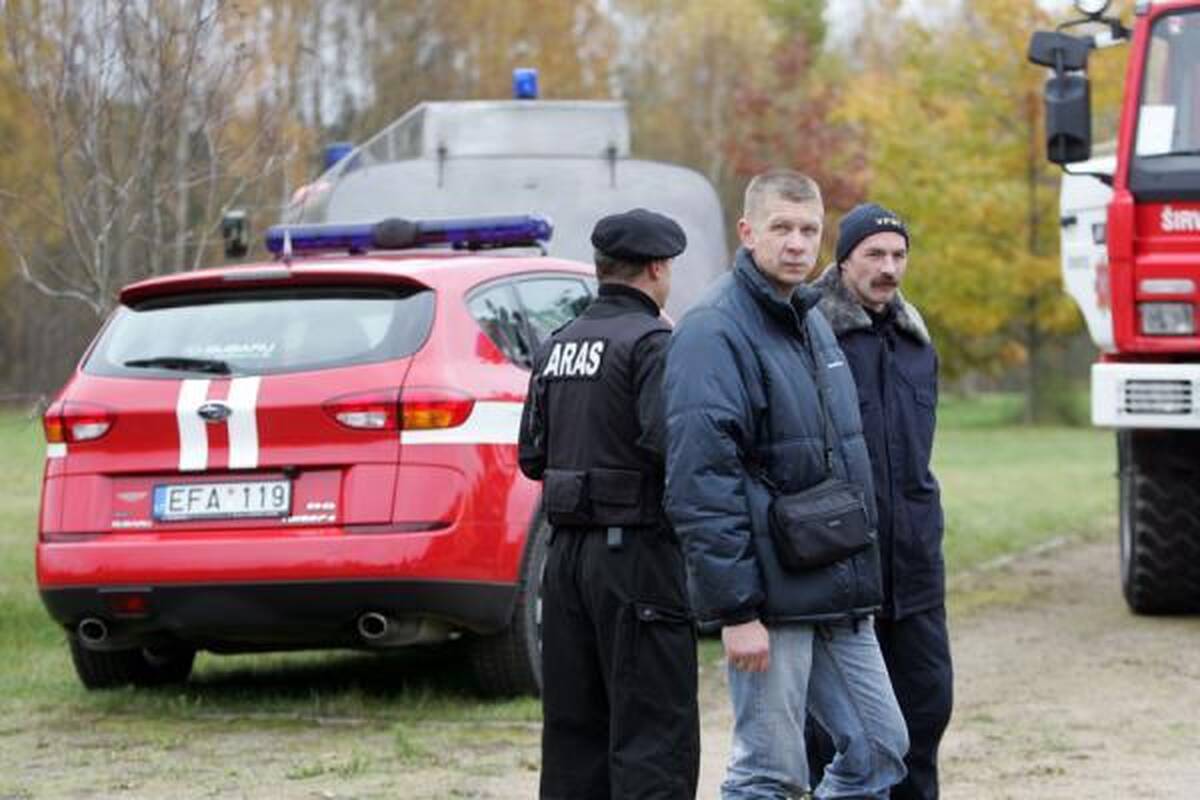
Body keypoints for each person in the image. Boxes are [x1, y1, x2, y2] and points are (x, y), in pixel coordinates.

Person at [664, 169, 908, 799]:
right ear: (747, 232)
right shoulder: (713, 330)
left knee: (880, 747)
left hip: (835, 584)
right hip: (769, 598)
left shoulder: (811, 319)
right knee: (768, 773)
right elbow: (701, 484)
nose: (797, 243)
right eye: (782, 228)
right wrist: (737, 612)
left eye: (808, 229)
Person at [518, 208, 699, 800]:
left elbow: (532, 458)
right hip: (637, 560)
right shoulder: (653, 344)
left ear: (601, 268)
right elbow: (675, 452)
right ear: (657, 269)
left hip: (564, 562)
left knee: (574, 736)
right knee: (654, 735)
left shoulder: (557, 345)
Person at [808, 203, 953, 800]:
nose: (888, 267)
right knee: (838, 735)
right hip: (840, 565)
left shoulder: (917, 343)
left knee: (927, 708)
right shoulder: (811, 335)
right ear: (844, 260)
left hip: (915, 565)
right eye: (874, 254)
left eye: (898, 255)